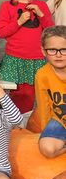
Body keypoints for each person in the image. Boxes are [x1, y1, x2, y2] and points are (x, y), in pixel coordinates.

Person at [0, 0, 54, 113]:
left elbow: (50, 32)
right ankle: (8, 122)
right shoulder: (6, 6)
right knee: (9, 97)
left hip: (36, 59)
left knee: (28, 97)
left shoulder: (41, 5)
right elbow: (2, 32)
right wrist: (19, 21)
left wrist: (41, 14)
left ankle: (23, 124)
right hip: (14, 59)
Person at [35, 26, 66, 158]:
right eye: (52, 50)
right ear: (44, 51)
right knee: (47, 149)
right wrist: (45, 131)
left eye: (64, 50)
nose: (58, 55)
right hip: (60, 120)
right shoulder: (42, 75)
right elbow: (44, 106)